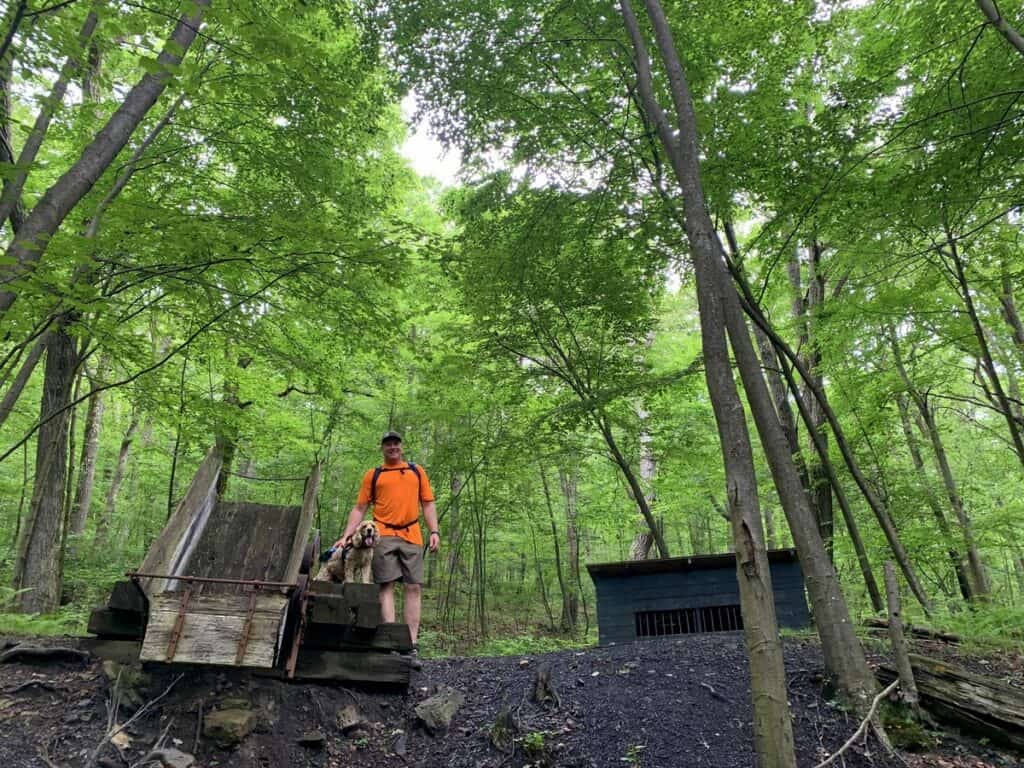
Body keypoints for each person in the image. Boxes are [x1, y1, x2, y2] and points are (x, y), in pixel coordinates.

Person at [335, 431, 439, 651]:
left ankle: (411, 642)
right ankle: (390, 638)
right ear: (382, 448)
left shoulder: (416, 471)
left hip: (412, 534)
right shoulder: (374, 475)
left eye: (396, 443)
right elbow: (359, 508)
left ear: (402, 446)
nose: (393, 447)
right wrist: (346, 536)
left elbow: (428, 504)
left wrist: (434, 531)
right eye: (388, 444)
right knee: (386, 584)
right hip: (382, 534)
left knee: (414, 586)